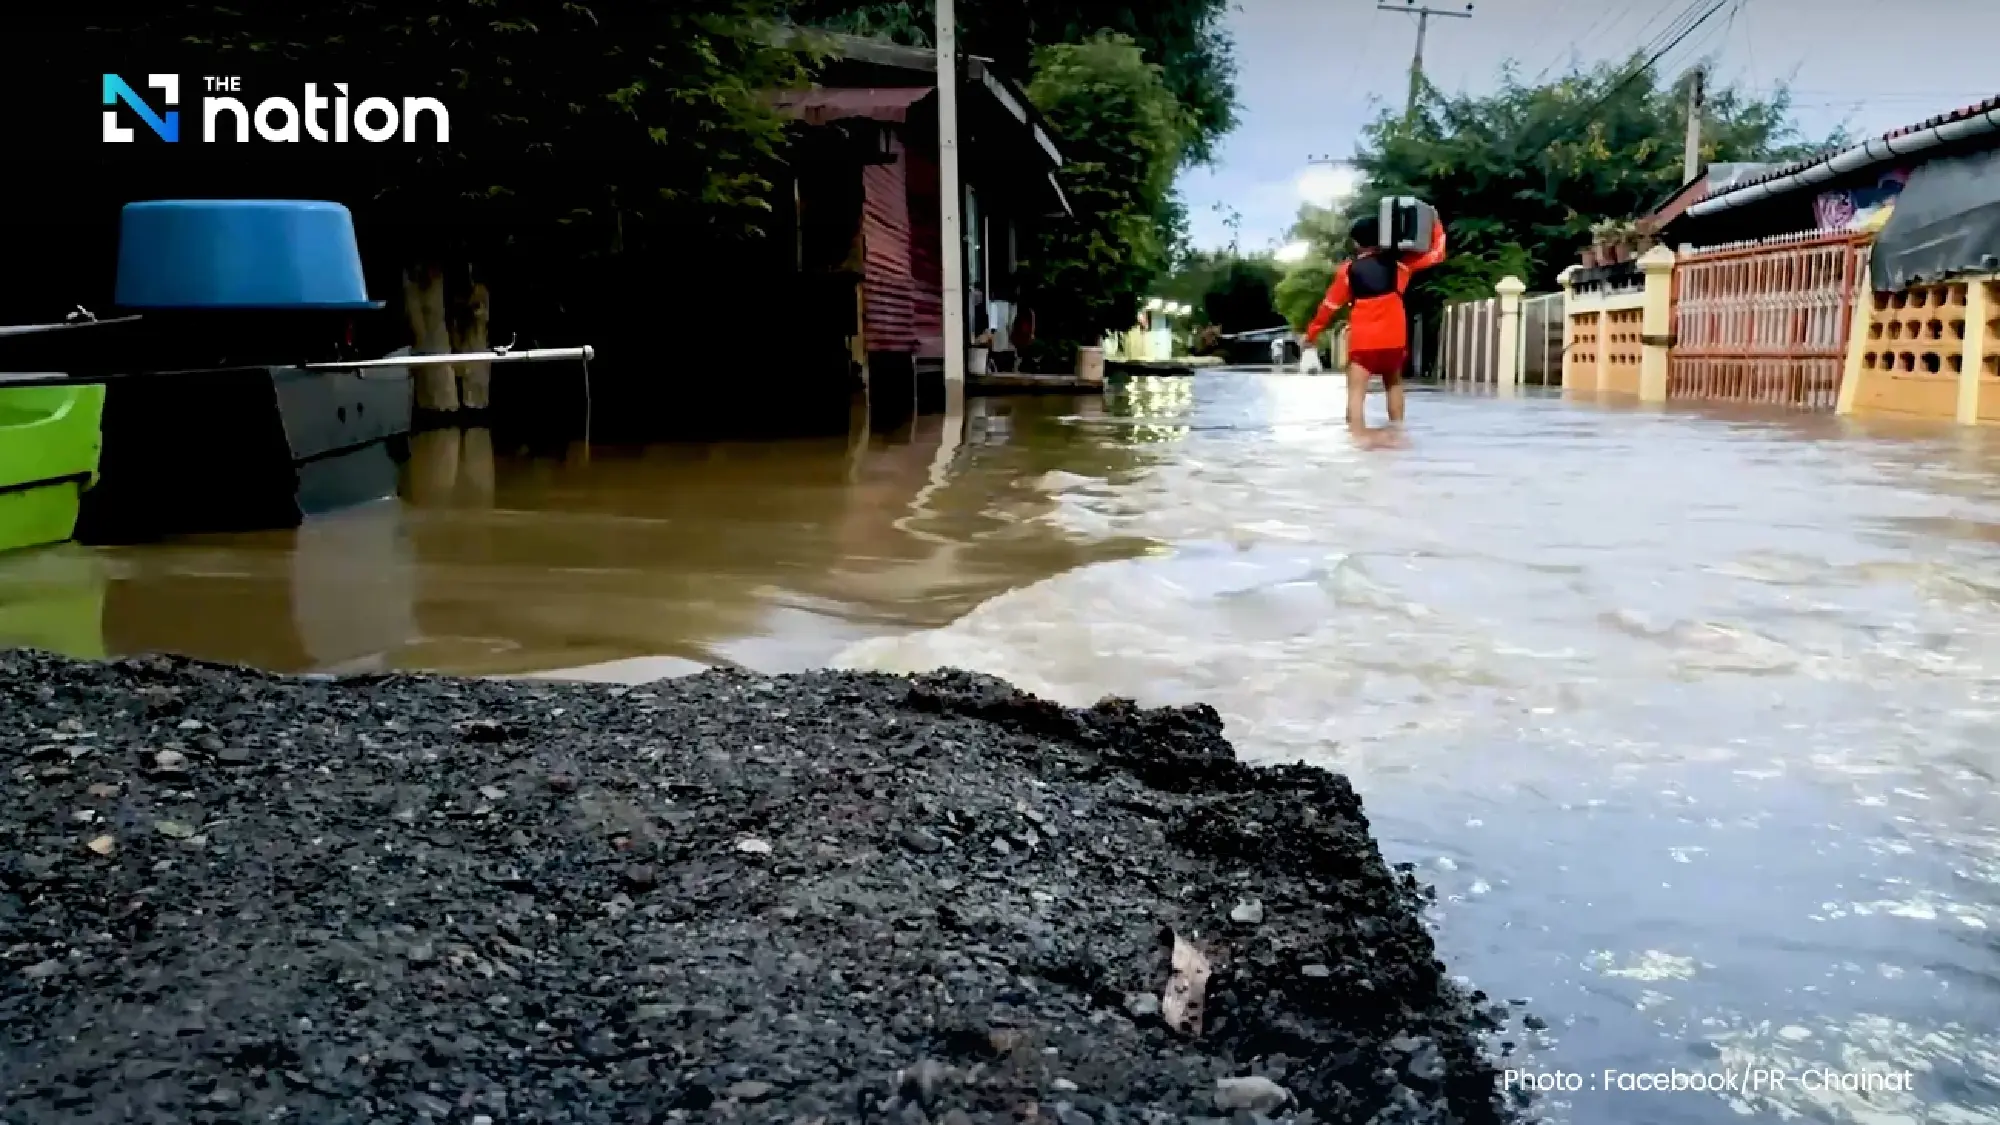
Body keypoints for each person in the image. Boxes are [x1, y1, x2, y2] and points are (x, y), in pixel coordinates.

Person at [1305, 210, 1447, 427]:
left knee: (1355, 394)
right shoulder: (1401, 266)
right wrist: (1436, 224)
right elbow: (1437, 254)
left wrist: (1311, 335)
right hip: (1394, 341)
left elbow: (1328, 307)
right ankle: (1398, 433)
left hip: (1363, 343)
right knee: (1394, 385)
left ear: (1356, 243)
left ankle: (1357, 444)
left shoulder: (1348, 272)